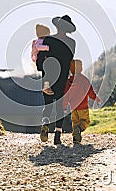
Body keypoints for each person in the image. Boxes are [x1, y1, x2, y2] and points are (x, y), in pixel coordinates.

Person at [36, 15, 76, 145]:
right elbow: (69, 58)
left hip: (48, 76)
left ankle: (45, 123)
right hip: (62, 77)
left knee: (47, 104)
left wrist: (41, 68)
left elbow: (41, 56)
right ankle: (57, 135)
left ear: (57, 26)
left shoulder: (48, 40)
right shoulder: (71, 43)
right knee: (60, 106)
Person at [63, 59, 101, 144]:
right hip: (83, 106)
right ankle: (79, 129)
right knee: (85, 121)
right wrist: (96, 99)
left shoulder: (68, 81)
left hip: (73, 107)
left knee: (75, 122)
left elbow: (66, 95)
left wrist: (64, 106)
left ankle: (76, 138)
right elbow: (90, 92)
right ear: (80, 68)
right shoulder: (84, 80)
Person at [31, 24, 53, 95]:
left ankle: (47, 86)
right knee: (46, 72)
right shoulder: (40, 41)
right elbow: (38, 47)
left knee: (46, 72)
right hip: (39, 59)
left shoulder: (39, 40)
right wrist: (47, 48)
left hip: (38, 59)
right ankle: (46, 86)